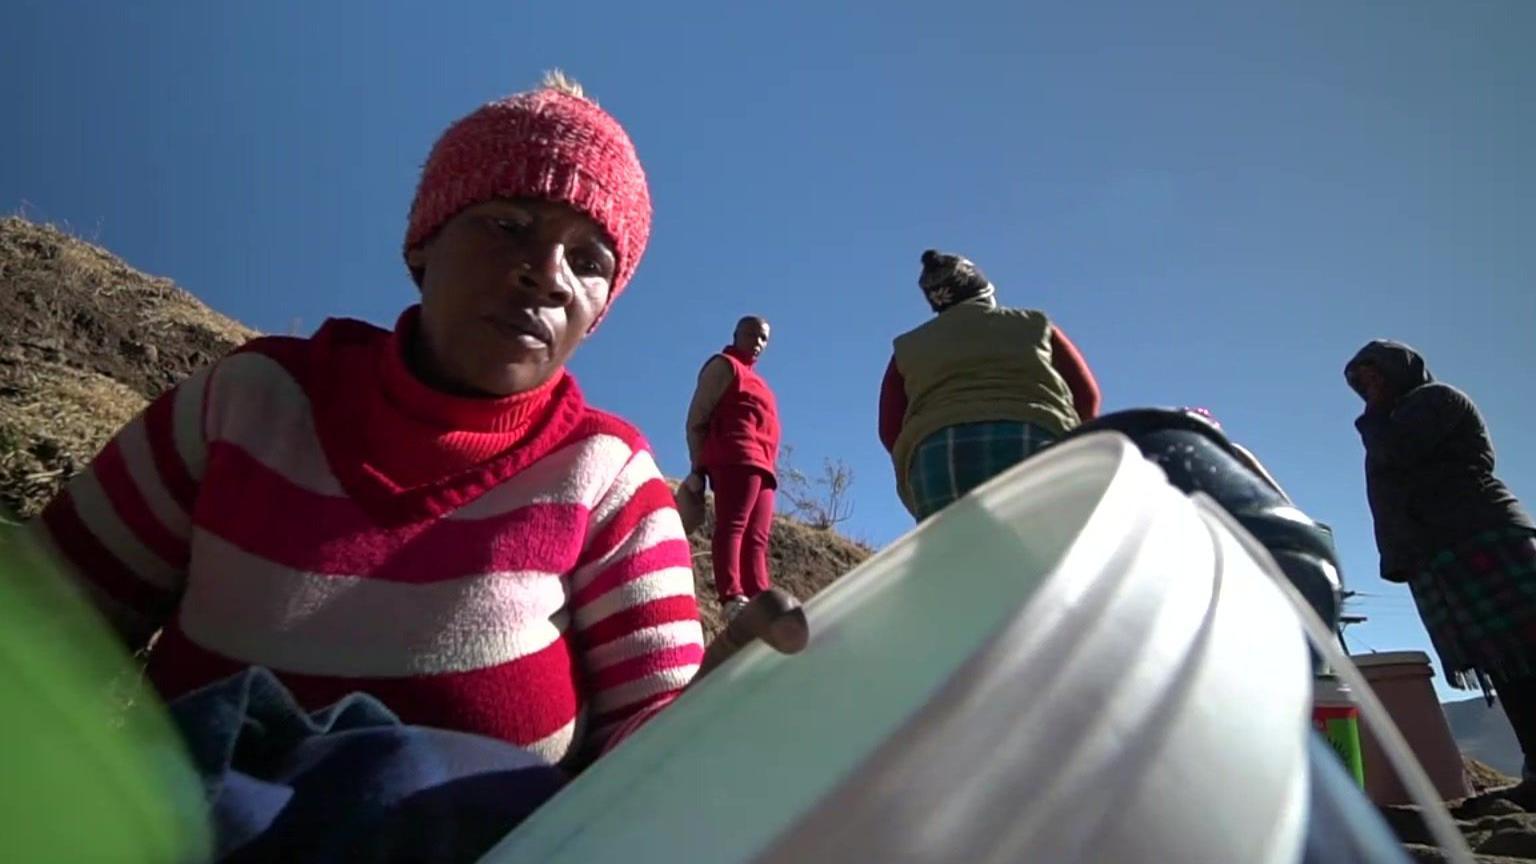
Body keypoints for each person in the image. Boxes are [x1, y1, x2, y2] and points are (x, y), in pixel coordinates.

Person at [25, 72, 801, 775]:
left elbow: (644, 763)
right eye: (509, 223)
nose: (547, 274)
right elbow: (36, 628)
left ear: (597, 316)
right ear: (425, 242)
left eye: (590, 259)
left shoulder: (612, 480)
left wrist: (710, 712)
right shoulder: (248, 402)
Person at [1346, 339, 1536, 778]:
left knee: (1524, 648)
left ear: (1400, 370)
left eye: (1375, 374)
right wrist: (1400, 559)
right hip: (1439, 553)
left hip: (1478, 536)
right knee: (1500, 660)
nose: (1368, 386)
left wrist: (1372, 415)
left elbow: (1399, 451)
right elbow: (1389, 497)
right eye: (1360, 381)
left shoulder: (1433, 400)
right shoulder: (1386, 422)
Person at [878, 249, 1101, 522]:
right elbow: (1087, 396)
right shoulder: (1034, 325)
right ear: (985, 291)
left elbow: (889, 430)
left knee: (957, 556)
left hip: (937, 458)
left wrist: (921, 459)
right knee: (1045, 554)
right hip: (1031, 439)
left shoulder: (907, 349)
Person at [684, 316, 780, 620]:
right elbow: (697, 419)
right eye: (752, 334)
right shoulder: (724, 366)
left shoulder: (760, 382)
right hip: (736, 455)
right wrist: (697, 467)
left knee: (758, 536)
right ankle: (731, 595)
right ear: (736, 334)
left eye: (764, 338)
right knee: (733, 525)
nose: (758, 342)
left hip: (764, 467)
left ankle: (759, 596)